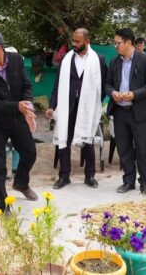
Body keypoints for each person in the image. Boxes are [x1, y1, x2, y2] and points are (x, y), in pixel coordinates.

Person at [0, 29, 38, 212]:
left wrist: (28, 106)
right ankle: (2, 206)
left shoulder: (17, 60)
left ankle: (20, 183)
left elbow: (27, 85)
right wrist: (16, 106)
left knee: (30, 153)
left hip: (18, 119)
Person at [46, 28, 107, 189]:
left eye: (77, 41)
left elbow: (102, 86)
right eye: (72, 40)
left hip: (87, 108)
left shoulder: (98, 59)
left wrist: (94, 105)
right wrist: (52, 106)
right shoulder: (66, 59)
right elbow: (57, 85)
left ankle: (90, 176)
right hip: (68, 107)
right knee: (64, 141)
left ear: (87, 41)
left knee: (88, 141)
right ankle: (64, 176)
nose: (74, 44)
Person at [105, 28, 146, 194]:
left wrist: (134, 95)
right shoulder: (114, 62)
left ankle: (144, 182)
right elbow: (107, 84)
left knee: (142, 149)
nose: (115, 46)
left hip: (139, 112)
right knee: (124, 148)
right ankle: (128, 181)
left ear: (128, 42)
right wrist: (113, 93)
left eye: (117, 43)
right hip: (120, 112)